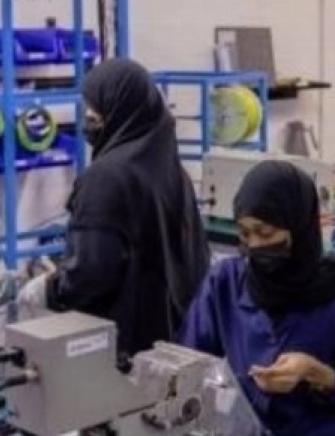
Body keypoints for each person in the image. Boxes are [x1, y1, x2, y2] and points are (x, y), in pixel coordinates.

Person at [178, 161, 335, 436]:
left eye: (266, 232)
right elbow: (188, 358)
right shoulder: (225, 281)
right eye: (245, 234)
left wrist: (315, 372)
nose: (255, 245)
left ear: (297, 226)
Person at [17, 58, 209, 355]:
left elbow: (90, 273)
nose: (89, 117)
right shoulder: (170, 170)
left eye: (96, 109)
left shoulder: (106, 178)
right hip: (173, 339)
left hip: (117, 347)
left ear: (120, 109)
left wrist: (49, 290)